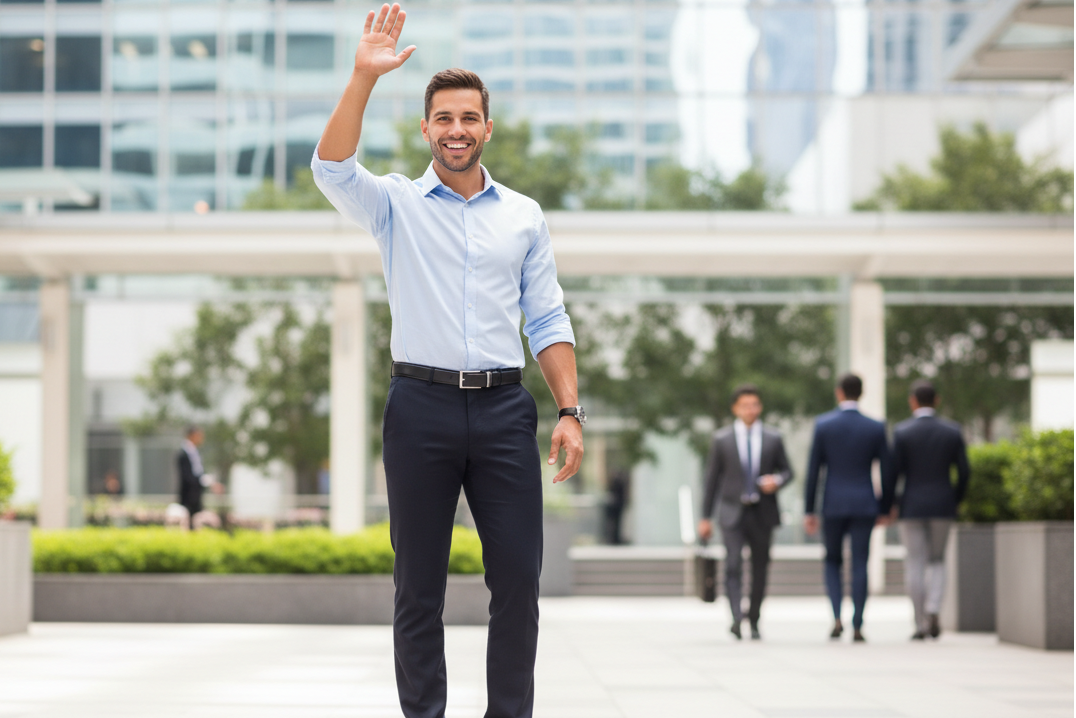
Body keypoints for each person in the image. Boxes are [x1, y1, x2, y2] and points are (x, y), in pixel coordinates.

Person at [311, 6, 584, 717]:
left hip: (502, 409)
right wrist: (363, 77)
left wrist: (570, 411)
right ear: (425, 128)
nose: (456, 130)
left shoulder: (523, 216)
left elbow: (548, 317)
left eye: (469, 118)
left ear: (486, 127)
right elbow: (330, 166)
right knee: (418, 586)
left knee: (519, 580)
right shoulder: (394, 204)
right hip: (420, 409)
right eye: (443, 119)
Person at [804, 373, 895, 642]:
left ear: (838, 392)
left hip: (832, 503)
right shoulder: (875, 427)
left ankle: (835, 618)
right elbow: (887, 471)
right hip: (865, 503)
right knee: (860, 563)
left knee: (832, 561)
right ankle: (857, 624)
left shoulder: (823, 425)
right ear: (861, 393)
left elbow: (814, 471)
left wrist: (809, 509)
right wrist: (885, 506)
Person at [698, 384, 793, 640]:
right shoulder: (722, 439)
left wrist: (778, 481)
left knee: (760, 568)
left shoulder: (773, 437)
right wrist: (705, 517)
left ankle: (754, 619)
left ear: (760, 407)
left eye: (754, 405)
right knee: (732, 565)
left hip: (763, 512)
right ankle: (736, 618)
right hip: (732, 512)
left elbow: (788, 471)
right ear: (735, 408)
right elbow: (712, 480)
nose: (750, 410)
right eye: (745, 405)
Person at [892, 380, 970, 640]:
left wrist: (893, 503)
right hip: (942, 505)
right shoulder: (952, 431)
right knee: (937, 560)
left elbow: (893, 473)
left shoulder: (902, 432)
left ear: (912, 401)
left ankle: (919, 622)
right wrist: (955, 498)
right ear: (936, 401)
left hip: (911, 506)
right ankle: (934, 608)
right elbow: (964, 471)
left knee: (915, 562)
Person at [176, 425, 222, 529]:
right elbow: (189, 477)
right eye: (199, 435)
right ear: (192, 436)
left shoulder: (194, 452)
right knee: (188, 524)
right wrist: (207, 482)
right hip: (189, 497)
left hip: (196, 495)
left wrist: (210, 483)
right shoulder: (183, 454)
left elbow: (198, 473)